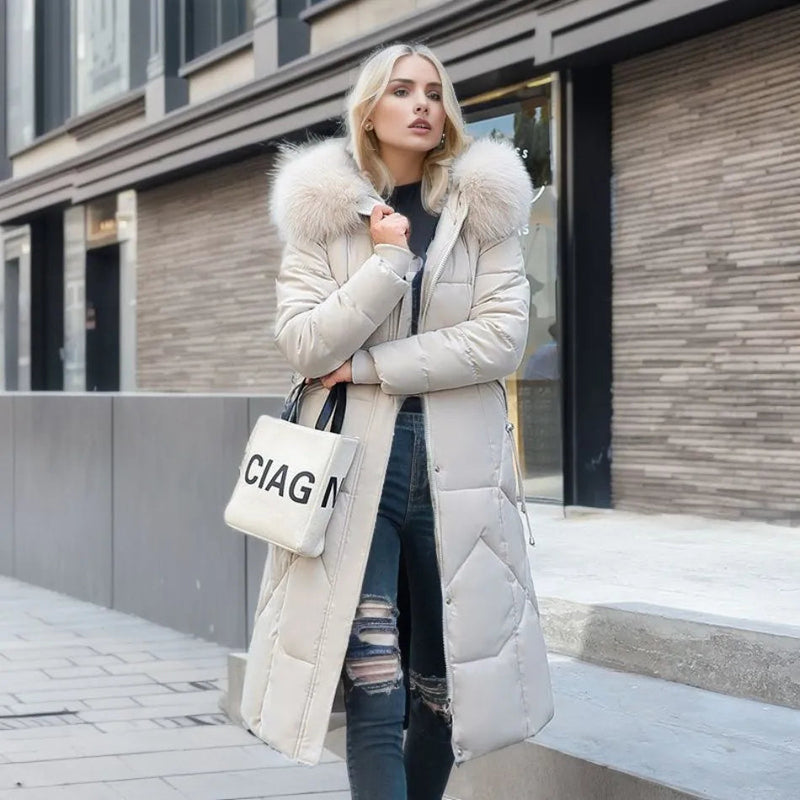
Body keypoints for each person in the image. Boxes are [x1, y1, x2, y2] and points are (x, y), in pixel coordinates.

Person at [240, 42, 554, 800]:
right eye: (402, 90)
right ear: (369, 111)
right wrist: (385, 263)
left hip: (460, 470)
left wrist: (371, 366)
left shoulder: (485, 212)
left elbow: (500, 340)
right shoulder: (326, 215)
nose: (422, 104)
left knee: (444, 690)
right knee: (373, 678)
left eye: (434, 92)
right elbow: (304, 342)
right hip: (354, 470)